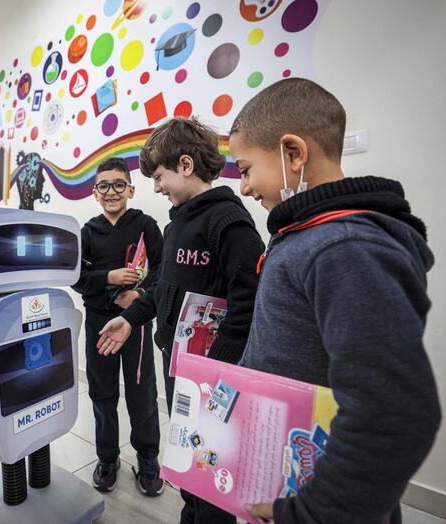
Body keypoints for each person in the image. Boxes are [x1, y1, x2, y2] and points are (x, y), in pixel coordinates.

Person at [228, 77, 441, 524]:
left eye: (246, 169)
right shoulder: (308, 237)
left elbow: (394, 410)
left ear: (293, 153)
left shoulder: (343, 248)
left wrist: (313, 513)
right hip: (294, 468)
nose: (244, 187)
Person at [96, 118, 264, 524]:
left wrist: (214, 367)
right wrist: (131, 319)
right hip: (182, 371)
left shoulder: (229, 223)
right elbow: (163, 291)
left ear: (185, 165)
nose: (156, 187)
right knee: (189, 467)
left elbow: (248, 306)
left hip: (215, 379)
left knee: (211, 479)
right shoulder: (176, 226)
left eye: (159, 176)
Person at [71, 157, 164, 496]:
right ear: (95, 193)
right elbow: (76, 277)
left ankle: (148, 457)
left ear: (131, 189)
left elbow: (162, 273)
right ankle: (108, 458)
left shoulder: (146, 226)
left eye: (118, 184)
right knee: (102, 392)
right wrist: (108, 278)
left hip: (136, 323)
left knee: (142, 394)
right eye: (103, 186)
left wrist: (138, 294)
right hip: (99, 323)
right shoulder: (87, 232)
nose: (111, 191)